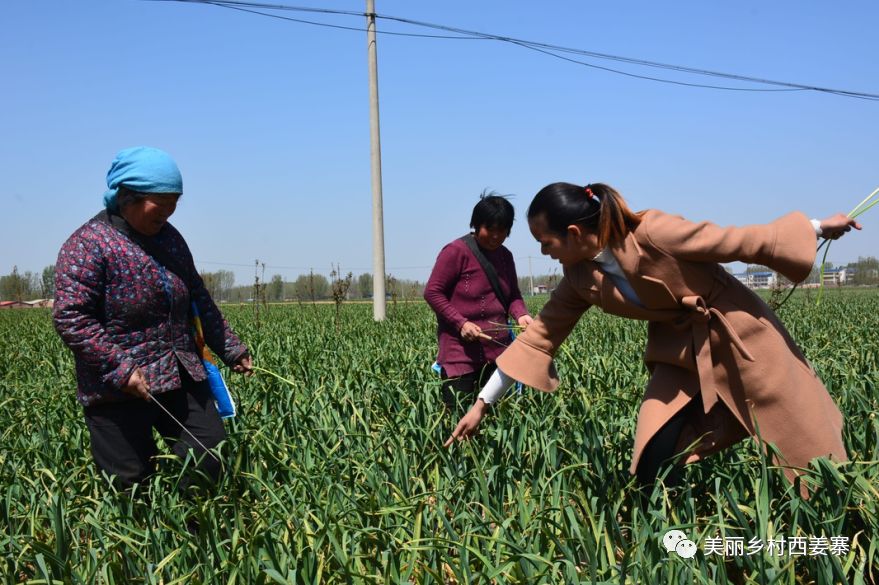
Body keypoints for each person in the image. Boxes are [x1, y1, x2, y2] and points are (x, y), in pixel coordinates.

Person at [445, 181, 859, 496]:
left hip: (740, 334)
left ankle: (837, 512)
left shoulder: (654, 232)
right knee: (652, 454)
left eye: (546, 243)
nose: (545, 251)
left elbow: (738, 241)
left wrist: (819, 226)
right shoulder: (578, 278)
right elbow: (539, 338)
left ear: (573, 232)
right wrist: (482, 404)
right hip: (678, 352)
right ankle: (668, 536)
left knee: (803, 443)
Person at [53, 146, 252, 490]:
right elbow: (72, 317)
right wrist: (121, 368)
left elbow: (197, 297)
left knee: (208, 450)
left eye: (174, 202)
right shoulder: (88, 245)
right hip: (118, 387)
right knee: (130, 484)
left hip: (179, 371)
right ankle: (144, 540)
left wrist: (231, 349)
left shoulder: (171, 240)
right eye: (160, 204)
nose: (169, 212)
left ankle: (195, 530)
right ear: (126, 197)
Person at [424, 194, 534, 417]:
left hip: (498, 352)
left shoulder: (505, 256)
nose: (495, 236)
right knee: (458, 416)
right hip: (460, 354)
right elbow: (432, 292)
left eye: (502, 230)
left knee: (497, 418)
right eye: (489, 228)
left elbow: (512, 294)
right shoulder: (456, 251)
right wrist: (461, 323)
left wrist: (521, 315)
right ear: (476, 224)